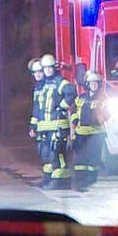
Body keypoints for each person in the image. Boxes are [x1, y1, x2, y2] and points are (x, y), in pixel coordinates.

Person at [35, 53, 77, 189]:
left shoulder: (60, 81)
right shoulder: (42, 85)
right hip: (44, 126)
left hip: (58, 125)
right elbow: (37, 107)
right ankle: (48, 178)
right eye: (45, 68)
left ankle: (61, 181)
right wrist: (33, 125)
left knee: (57, 153)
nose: (47, 70)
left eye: (50, 68)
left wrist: (62, 107)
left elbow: (71, 92)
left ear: (54, 68)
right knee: (46, 154)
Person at [70, 71, 108, 191]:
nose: (93, 86)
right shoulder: (80, 98)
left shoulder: (103, 99)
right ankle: (80, 179)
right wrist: (75, 120)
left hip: (96, 133)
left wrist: (98, 119)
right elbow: (73, 111)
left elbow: (107, 114)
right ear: (87, 84)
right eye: (91, 83)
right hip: (81, 132)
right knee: (80, 158)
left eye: (95, 83)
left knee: (93, 158)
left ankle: (91, 178)